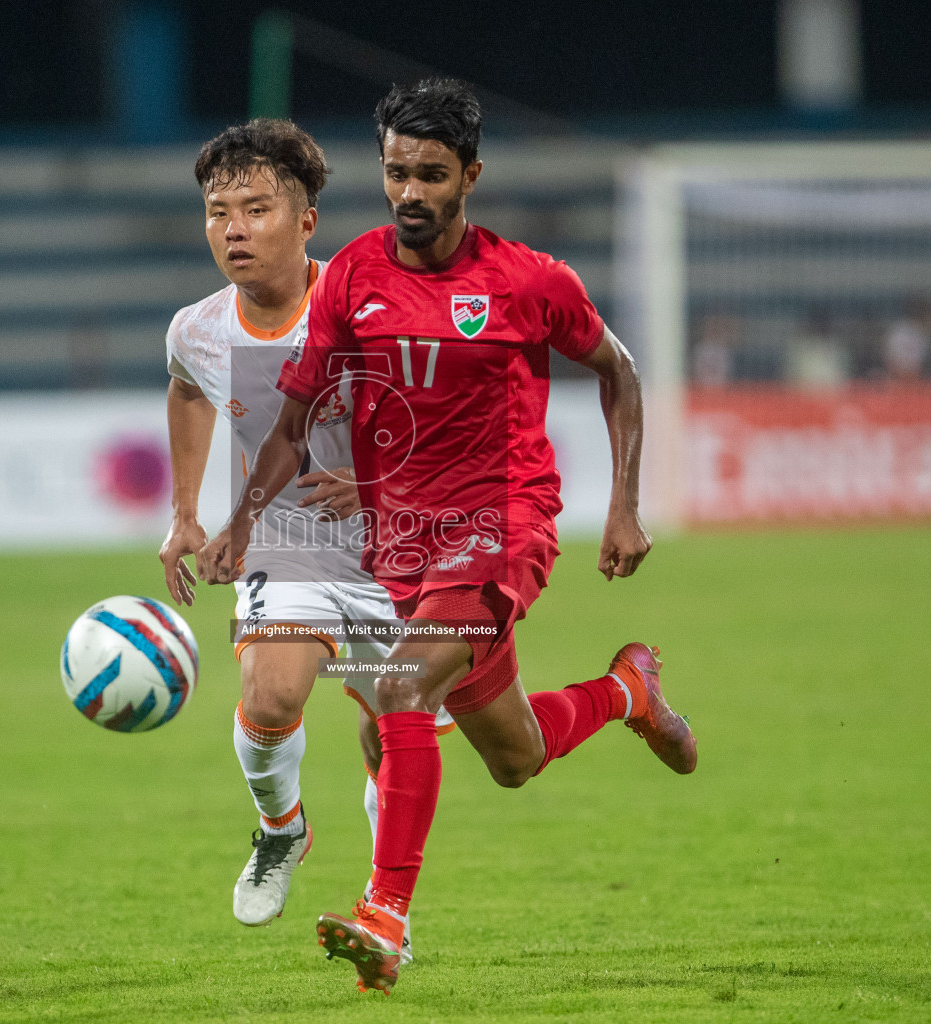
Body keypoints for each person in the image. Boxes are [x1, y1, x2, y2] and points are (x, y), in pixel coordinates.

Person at [196, 79, 697, 994]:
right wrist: (241, 523)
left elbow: (617, 371)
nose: (410, 194)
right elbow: (296, 418)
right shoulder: (353, 275)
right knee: (514, 758)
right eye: (395, 174)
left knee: (396, 685)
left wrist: (625, 503)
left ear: (470, 175)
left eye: (431, 175)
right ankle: (627, 690)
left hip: (504, 522)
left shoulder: (530, 281)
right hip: (405, 542)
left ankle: (386, 914)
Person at [160, 118, 451, 947]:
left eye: (256, 208)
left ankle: (380, 894)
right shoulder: (198, 329)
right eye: (219, 211)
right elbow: (186, 390)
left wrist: (377, 483)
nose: (235, 229)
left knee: (390, 730)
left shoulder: (376, 309)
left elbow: (449, 422)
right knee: (272, 693)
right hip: (288, 542)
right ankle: (282, 829)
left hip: (404, 549)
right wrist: (186, 512)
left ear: (307, 221)